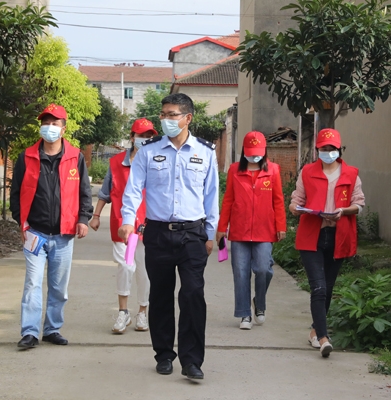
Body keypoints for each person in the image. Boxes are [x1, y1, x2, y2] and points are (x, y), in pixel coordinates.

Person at [118, 93, 219, 380]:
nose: (166, 119)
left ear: (188, 118)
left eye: (172, 114)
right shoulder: (149, 151)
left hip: (193, 234)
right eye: (163, 114)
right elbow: (133, 189)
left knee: (193, 295)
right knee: (160, 295)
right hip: (158, 233)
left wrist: (210, 234)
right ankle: (163, 354)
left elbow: (211, 195)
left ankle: (192, 360)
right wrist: (128, 220)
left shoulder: (205, 152)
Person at [10, 103, 93, 349]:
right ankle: (29, 332)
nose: (49, 127)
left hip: (63, 235)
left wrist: (83, 219)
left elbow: (84, 192)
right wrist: (22, 221)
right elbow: (16, 193)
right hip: (35, 232)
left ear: (63, 129)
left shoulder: (75, 157)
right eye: (45, 123)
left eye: (54, 123)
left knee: (58, 288)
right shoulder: (27, 157)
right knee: (32, 284)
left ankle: (52, 329)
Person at [289, 128, 365, 358]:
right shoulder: (307, 172)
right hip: (312, 235)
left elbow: (359, 204)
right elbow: (297, 199)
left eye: (332, 148)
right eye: (324, 148)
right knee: (318, 287)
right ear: (317, 150)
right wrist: (295, 208)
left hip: (338, 235)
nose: (328, 152)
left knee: (328, 287)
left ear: (339, 150)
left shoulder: (351, 174)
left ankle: (315, 330)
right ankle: (323, 338)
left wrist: (344, 211)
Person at [89, 118, 156, 334]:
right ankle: (123, 311)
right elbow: (105, 192)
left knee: (144, 271)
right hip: (124, 228)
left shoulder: (156, 162)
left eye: (149, 136)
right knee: (127, 267)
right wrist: (96, 215)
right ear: (132, 137)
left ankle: (143, 312)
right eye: (141, 135)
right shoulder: (116, 163)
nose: (145, 139)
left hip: (148, 227)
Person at [216, 131, 286, 330]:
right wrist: (222, 227)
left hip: (265, 230)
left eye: (257, 152)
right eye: (251, 152)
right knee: (241, 272)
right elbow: (228, 200)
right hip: (240, 230)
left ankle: (259, 303)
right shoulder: (234, 170)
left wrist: (281, 226)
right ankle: (244, 313)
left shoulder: (273, 170)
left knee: (264, 269)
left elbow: (278, 200)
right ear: (244, 151)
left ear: (264, 151)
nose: (254, 156)